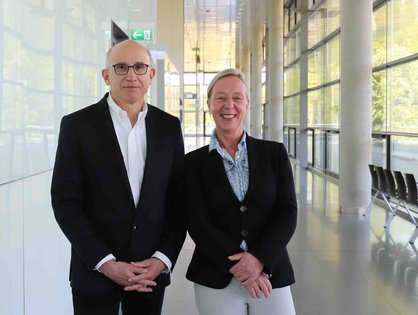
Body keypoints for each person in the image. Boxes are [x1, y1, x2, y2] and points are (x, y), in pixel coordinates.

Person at [51, 39, 186, 315]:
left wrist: (162, 260)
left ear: (151, 75)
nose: (131, 75)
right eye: (121, 67)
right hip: (94, 271)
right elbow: (66, 202)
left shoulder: (169, 128)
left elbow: (179, 201)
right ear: (106, 76)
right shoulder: (77, 126)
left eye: (139, 67)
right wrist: (105, 263)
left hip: (149, 272)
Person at [185, 68, 297, 314]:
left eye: (237, 98)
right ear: (209, 104)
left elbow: (287, 212)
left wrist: (258, 260)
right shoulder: (192, 163)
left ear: (247, 103)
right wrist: (240, 268)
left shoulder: (274, 154)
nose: (229, 105)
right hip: (215, 275)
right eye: (221, 98)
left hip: (270, 271)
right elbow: (196, 221)